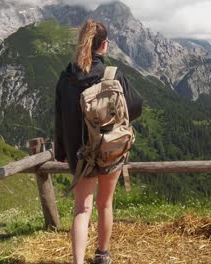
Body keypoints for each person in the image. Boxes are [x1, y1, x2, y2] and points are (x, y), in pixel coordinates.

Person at [53, 19, 143, 264]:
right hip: (109, 149)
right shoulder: (112, 75)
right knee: (105, 204)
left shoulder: (65, 78)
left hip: (80, 154)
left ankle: (78, 262)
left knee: (82, 209)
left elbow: (59, 120)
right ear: (104, 45)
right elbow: (136, 107)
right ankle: (102, 256)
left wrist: (61, 152)